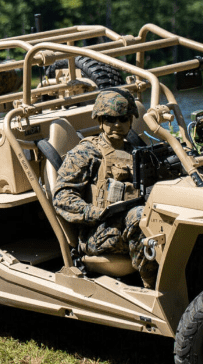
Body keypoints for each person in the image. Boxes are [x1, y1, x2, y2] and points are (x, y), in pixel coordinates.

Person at [52, 88, 156, 286]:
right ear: (100, 121)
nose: (117, 124)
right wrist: (95, 212)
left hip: (126, 225)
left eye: (123, 119)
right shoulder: (86, 152)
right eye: (109, 119)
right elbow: (62, 197)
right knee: (140, 217)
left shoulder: (136, 150)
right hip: (98, 233)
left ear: (131, 121)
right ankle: (152, 286)